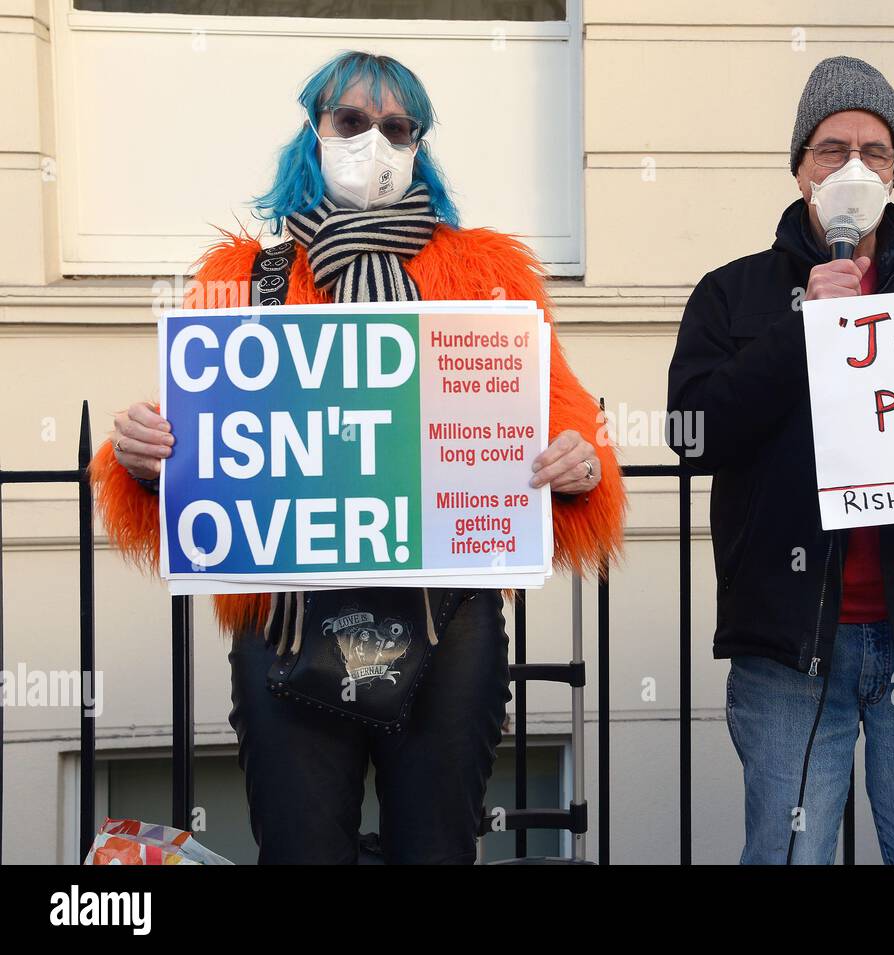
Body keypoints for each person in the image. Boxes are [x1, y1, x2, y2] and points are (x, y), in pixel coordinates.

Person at [90, 51, 625, 864]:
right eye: (351, 120)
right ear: (314, 131)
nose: (372, 140)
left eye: (396, 127)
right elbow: (194, 438)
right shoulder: (247, 278)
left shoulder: (486, 279)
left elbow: (565, 418)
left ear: (418, 147)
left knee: (437, 850)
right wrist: (140, 455)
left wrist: (580, 463)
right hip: (285, 625)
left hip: (449, 623)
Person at [667, 55, 894, 864]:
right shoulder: (732, 295)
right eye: (832, 149)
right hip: (793, 647)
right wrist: (800, 330)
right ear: (799, 165)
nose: (853, 167)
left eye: (875, 150)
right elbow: (692, 433)